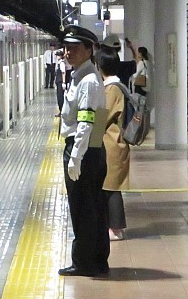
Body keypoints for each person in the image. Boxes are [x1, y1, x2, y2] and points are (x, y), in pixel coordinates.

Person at [57, 25, 109, 277]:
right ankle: (97, 260)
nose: (68, 52)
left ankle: (84, 261)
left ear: (89, 50)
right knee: (93, 206)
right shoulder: (81, 75)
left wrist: (75, 156)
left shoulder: (88, 81)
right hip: (89, 149)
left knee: (83, 208)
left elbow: (86, 121)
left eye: (75, 48)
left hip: (84, 151)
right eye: (67, 47)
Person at [96, 49, 130, 241]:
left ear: (100, 67)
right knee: (111, 186)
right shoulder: (120, 86)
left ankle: (115, 229)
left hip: (111, 145)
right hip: (116, 143)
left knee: (110, 187)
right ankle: (114, 227)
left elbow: (102, 118)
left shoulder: (111, 89)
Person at [53, 49, 65, 116]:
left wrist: (63, 82)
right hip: (58, 81)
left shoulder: (62, 63)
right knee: (59, 97)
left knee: (60, 97)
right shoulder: (59, 63)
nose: (57, 56)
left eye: (58, 55)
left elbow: (63, 73)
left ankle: (62, 111)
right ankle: (61, 111)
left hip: (60, 82)